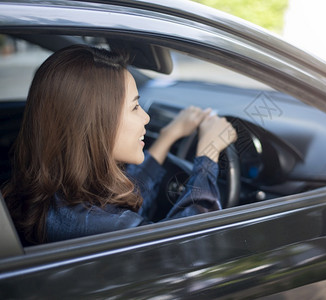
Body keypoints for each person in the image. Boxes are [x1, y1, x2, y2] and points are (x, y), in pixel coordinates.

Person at [2, 44, 236, 245]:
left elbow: (127, 203)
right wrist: (208, 154)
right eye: (135, 107)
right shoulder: (95, 225)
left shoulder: (55, 194)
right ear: (95, 123)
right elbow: (188, 246)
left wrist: (167, 137)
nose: (146, 117)